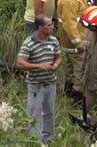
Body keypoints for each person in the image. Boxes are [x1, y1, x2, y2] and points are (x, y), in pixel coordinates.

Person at [16, 14, 61, 145]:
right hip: (36, 85)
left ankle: (47, 141)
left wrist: (56, 65)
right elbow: (20, 63)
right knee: (35, 115)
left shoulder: (53, 40)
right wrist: (38, 66)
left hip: (51, 83)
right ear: (40, 28)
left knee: (49, 113)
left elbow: (58, 57)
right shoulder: (29, 43)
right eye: (49, 25)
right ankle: (35, 142)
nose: (52, 26)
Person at [57, 0, 89, 105]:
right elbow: (69, 24)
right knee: (80, 68)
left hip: (72, 39)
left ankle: (68, 89)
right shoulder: (69, 0)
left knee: (70, 65)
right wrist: (78, 43)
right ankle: (78, 97)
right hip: (74, 41)